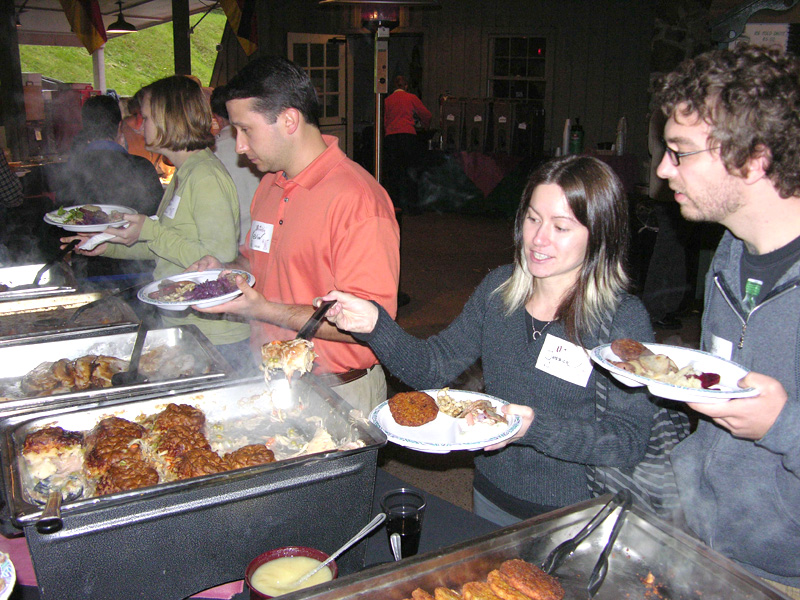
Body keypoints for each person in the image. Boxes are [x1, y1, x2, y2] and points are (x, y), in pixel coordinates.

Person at [320, 155, 672, 524]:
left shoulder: (621, 319)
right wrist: (375, 324)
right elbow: (433, 366)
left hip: (572, 513)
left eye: (561, 227)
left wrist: (536, 429)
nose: (538, 238)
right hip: (490, 491)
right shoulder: (498, 290)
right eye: (533, 218)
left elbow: (628, 440)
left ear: (599, 233)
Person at [653, 44, 800, 597]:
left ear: (755, 158)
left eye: (680, 151)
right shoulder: (730, 255)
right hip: (707, 543)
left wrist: (783, 425)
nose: (663, 168)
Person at [189, 56, 400, 415]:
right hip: (269, 379)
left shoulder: (358, 201)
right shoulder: (271, 184)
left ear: (288, 120)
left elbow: (372, 326)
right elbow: (255, 261)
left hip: (338, 392)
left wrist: (266, 310)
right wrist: (224, 271)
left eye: (245, 129)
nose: (238, 145)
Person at [64, 76, 253, 373]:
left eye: (148, 117)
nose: (140, 125)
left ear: (169, 119)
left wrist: (149, 229)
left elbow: (217, 263)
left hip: (214, 337)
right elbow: (163, 247)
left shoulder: (204, 176)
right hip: (187, 326)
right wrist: (104, 246)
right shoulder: (185, 172)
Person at [54, 94, 163, 215]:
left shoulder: (70, 170)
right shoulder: (142, 166)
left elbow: (61, 216)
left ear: (84, 128)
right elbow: (158, 215)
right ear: (120, 126)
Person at [210, 85, 261, 244]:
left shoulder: (214, 153)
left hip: (236, 237)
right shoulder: (259, 144)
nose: (240, 147)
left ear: (216, 118)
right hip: (259, 234)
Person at [383, 75, 432, 213]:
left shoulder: (387, 101)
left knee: (394, 172)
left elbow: (383, 120)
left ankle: (394, 205)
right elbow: (426, 115)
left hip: (391, 137)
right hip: (408, 136)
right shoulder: (411, 98)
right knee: (410, 171)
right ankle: (412, 206)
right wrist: (425, 126)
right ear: (406, 86)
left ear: (394, 86)